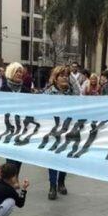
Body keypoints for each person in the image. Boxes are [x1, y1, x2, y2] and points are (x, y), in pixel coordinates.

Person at [43, 65, 74, 200]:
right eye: (62, 75)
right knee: (53, 158)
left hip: (68, 129)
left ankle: (61, 181)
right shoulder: (48, 93)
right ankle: (52, 186)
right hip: (53, 130)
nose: (65, 77)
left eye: (66, 75)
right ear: (55, 78)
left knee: (65, 157)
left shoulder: (72, 93)